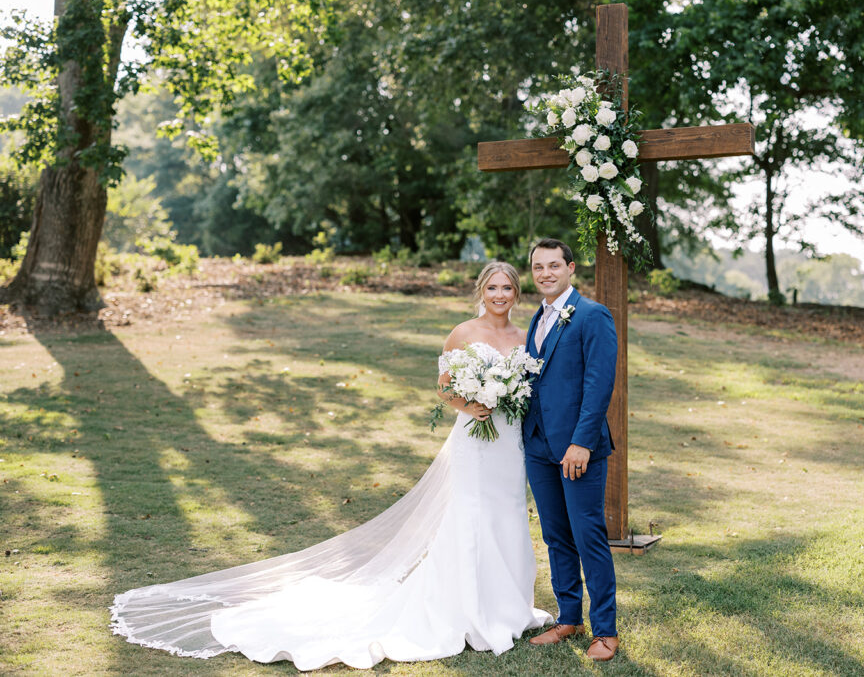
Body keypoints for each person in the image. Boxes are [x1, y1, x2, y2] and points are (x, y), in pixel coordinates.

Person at [109, 261, 551, 671]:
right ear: (482, 291)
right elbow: (443, 390)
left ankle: (507, 607)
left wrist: (506, 398)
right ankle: (467, 609)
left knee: (508, 515)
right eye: (492, 287)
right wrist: (468, 404)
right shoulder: (463, 332)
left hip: (509, 445)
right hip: (474, 442)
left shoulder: (524, 336)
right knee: (471, 518)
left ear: (516, 293)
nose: (500, 294)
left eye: (507, 288)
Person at [523, 238, 620, 661]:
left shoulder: (592, 315)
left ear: (571, 268)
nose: (546, 273)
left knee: (588, 535)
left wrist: (582, 441)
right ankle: (568, 617)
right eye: (538, 267)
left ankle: (605, 630)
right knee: (555, 535)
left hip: (577, 448)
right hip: (538, 447)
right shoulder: (536, 319)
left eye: (553, 265)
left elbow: (599, 385)